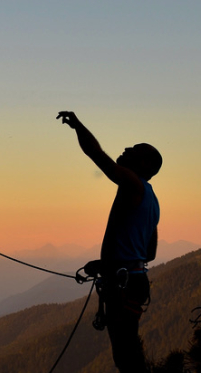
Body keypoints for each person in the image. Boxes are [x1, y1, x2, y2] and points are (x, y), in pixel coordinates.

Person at [57, 111, 162, 373]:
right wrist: (107, 263)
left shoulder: (132, 183)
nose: (127, 149)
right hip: (133, 278)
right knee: (128, 349)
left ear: (147, 165)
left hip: (123, 283)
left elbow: (98, 156)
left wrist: (78, 126)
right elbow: (148, 251)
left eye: (135, 150)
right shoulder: (152, 200)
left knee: (125, 354)